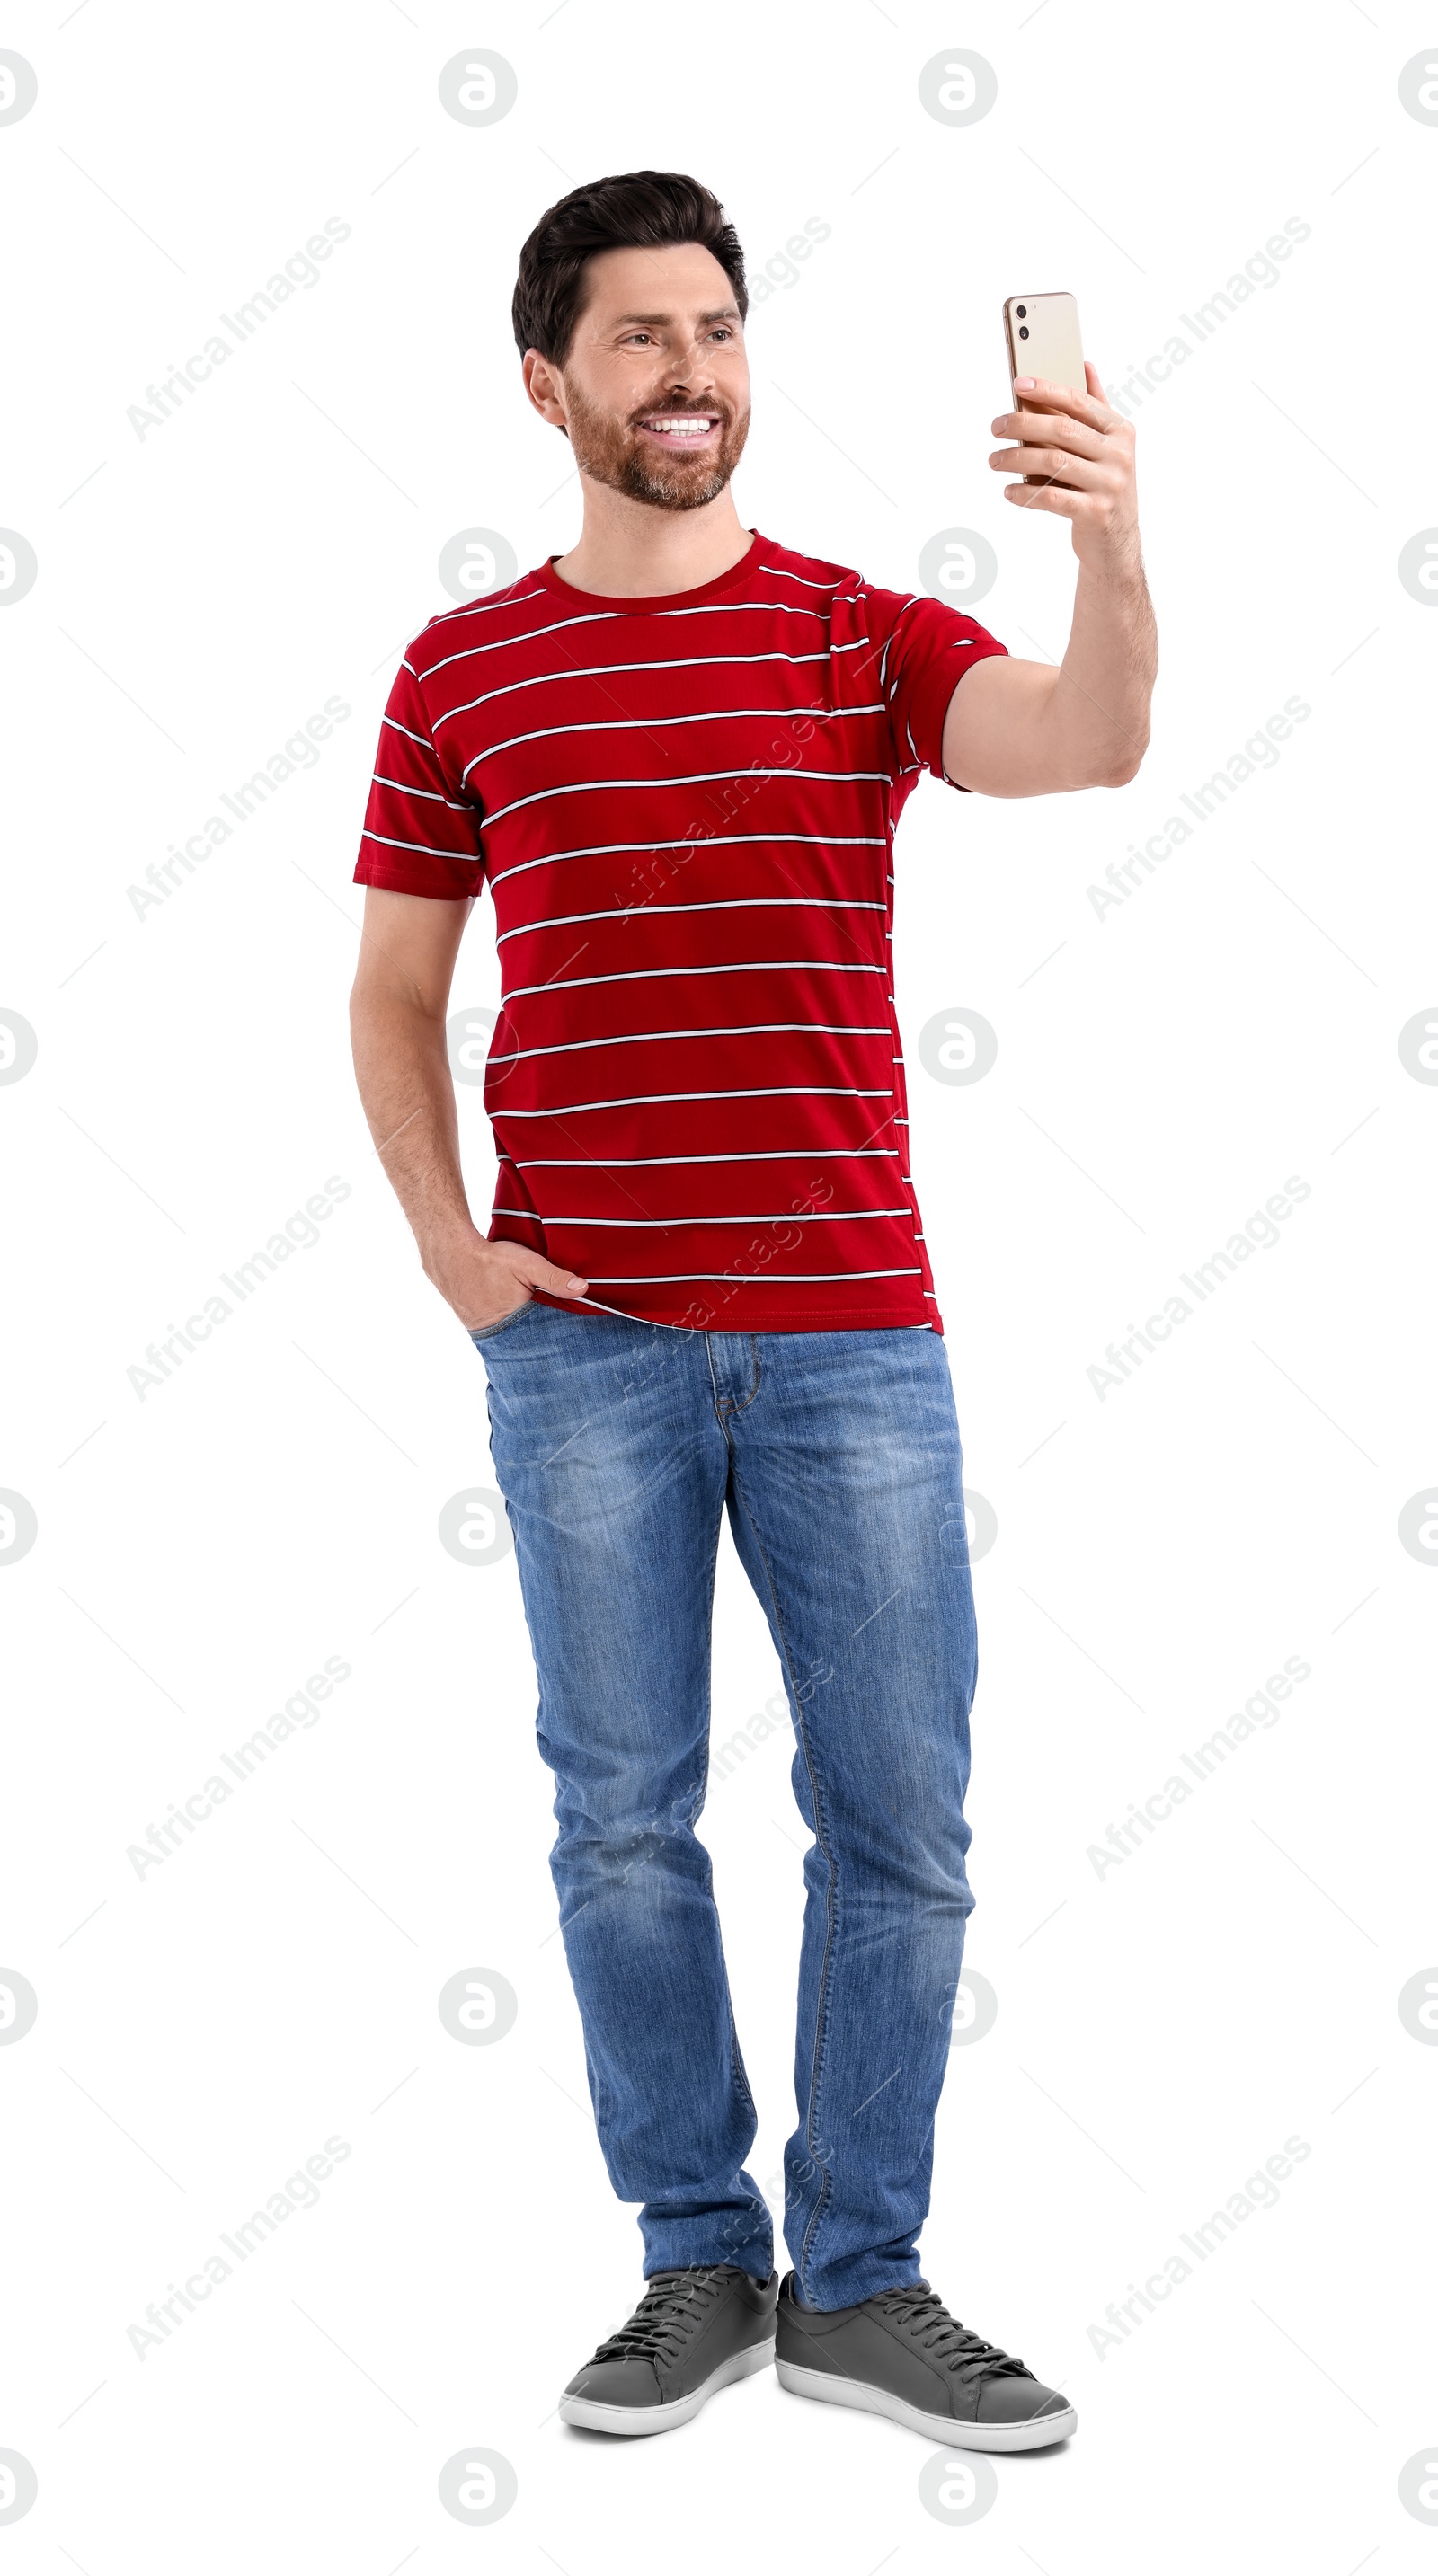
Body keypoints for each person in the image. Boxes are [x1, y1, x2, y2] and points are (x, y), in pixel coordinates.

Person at [349, 169, 1155, 2449]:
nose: (688, 369)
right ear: (546, 381)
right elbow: (393, 990)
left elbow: (1081, 741)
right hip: (579, 1347)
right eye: (635, 336)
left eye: (711, 326)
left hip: (848, 1348)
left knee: (898, 1821)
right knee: (621, 1822)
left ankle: (863, 2279)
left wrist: (1108, 545)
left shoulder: (852, 636)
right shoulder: (464, 669)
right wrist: (448, 1247)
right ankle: (696, 2262)